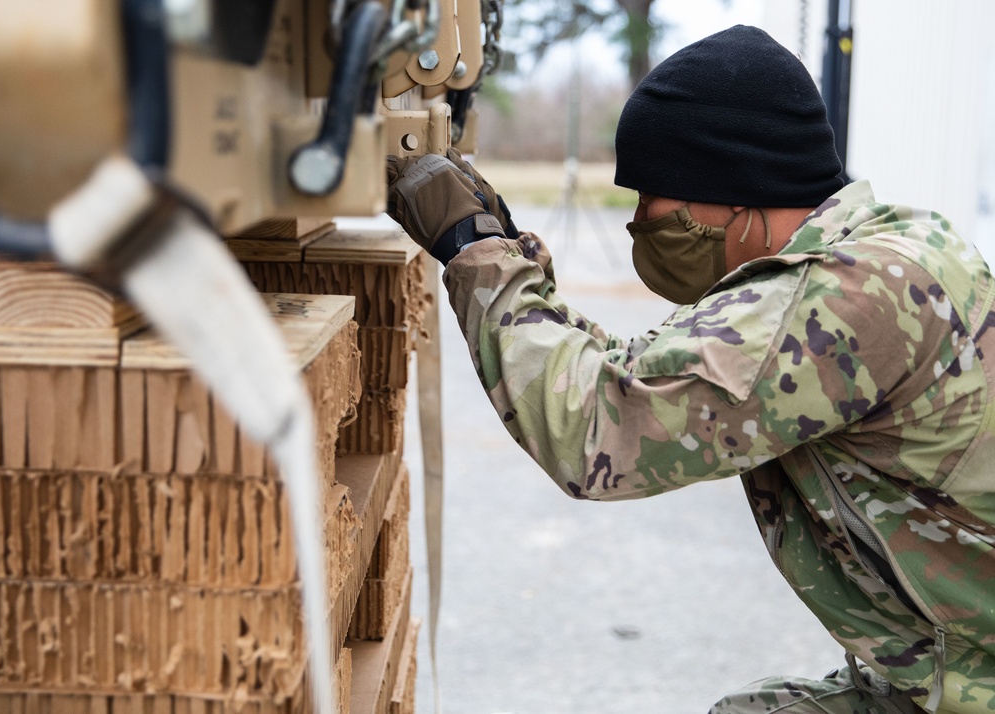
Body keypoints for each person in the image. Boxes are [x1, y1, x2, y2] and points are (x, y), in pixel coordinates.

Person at [386, 25, 995, 714]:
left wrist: (473, 250)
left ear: (736, 194)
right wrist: (508, 245)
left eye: (654, 196)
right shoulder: (889, 245)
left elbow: (596, 429)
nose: (639, 220)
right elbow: (644, 374)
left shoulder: (840, 303)